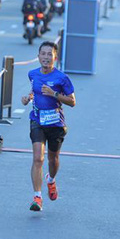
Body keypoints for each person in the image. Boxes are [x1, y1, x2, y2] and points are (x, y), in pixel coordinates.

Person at [20, 41, 76, 212]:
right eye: (43, 54)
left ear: (55, 57)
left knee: (53, 159)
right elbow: (34, 91)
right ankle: (37, 196)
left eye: (49, 54)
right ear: (38, 56)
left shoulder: (62, 78)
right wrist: (27, 98)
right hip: (37, 120)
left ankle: (51, 180)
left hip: (56, 123)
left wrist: (54, 94)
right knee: (38, 158)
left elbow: (72, 101)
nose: (46, 57)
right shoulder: (32, 74)